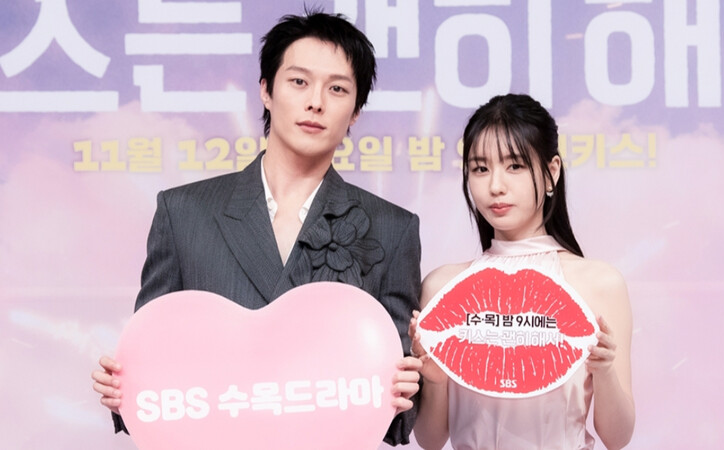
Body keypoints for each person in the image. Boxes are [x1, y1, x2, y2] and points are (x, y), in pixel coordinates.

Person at [91, 9, 422, 446]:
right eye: (299, 81)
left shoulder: (392, 229)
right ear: (266, 90)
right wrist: (123, 389)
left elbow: (396, 407)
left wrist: (408, 389)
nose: (316, 102)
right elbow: (153, 356)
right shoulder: (184, 213)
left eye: (337, 89)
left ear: (356, 111)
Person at [409, 94, 635, 449]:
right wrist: (435, 380)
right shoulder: (442, 286)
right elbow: (430, 439)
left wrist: (605, 371)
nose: (495, 186)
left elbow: (617, 437)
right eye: (480, 169)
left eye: (514, 165)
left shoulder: (599, 283)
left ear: (552, 172)